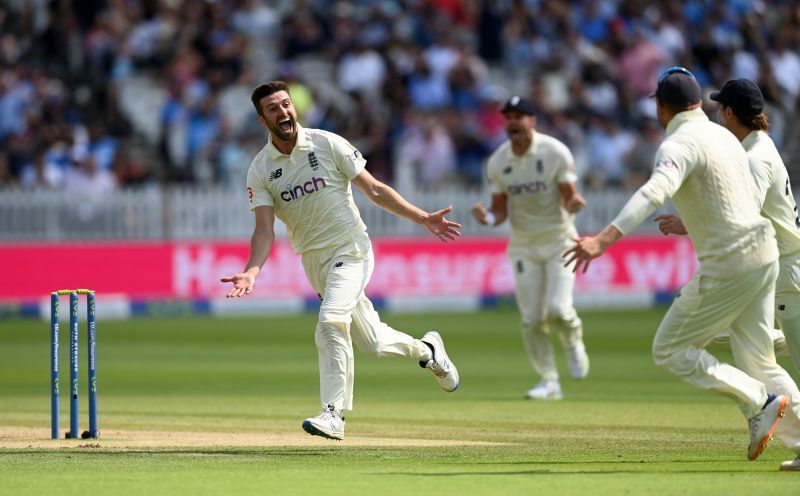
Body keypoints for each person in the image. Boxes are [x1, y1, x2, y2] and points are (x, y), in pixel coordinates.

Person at [563, 67, 800, 465]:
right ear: (697, 104)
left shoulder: (679, 144)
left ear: (661, 107)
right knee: (758, 360)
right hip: (765, 257)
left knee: (670, 349)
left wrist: (602, 239)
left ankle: (759, 400)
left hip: (731, 263)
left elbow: (653, 192)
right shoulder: (724, 137)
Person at [221, 81, 461, 441]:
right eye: (273, 109)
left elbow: (375, 190)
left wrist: (423, 217)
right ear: (262, 120)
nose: (283, 112)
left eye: (286, 104)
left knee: (331, 321)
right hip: (315, 262)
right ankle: (429, 350)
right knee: (374, 342)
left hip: (351, 249)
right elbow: (264, 230)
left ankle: (333, 414)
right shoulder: (260, 169)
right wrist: (252, 270)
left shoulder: (326, 143)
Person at [655, 78, 800, 471]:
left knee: (766, 361)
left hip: (784, 269)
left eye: (721, 108)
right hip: (778, 265)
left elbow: (741, 213)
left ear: (731, 112)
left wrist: (686, 223)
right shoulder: (755, 147)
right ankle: (777, 352)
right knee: (742, 347)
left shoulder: (754, 156)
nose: (716, 112)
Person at [471, 96, 589, 400]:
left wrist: (574, 202)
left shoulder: (554, 152)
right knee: (531, 318)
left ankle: (573, 341)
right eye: (507, 117)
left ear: (532, 121)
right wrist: (487, 218)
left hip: (559, 239)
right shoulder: (498, 161)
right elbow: (500, 211)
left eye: (518, 116)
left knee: (558, 311)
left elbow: (570, 195)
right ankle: (549, 381)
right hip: (523, 245)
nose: (512, 122)